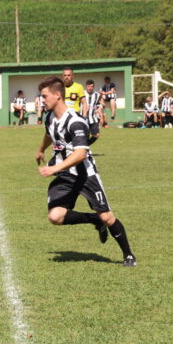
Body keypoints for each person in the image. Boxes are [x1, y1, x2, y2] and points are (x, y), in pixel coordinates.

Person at [35, 75, 136, 267]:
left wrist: (54, 168)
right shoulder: (49, 117)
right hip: (65, 175)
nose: (42, 100)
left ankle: (128, 255)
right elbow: (49, 134)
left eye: (45, 96)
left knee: (107, 216)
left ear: (57, 95)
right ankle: (93, 220)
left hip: (85, 175)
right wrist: (40, 149)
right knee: (55, 217)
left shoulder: (75, 121)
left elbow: (81, 154)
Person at [82, 79, 103, 145]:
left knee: (96, 135)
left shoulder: (97, 95)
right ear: (86, 86)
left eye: (91, 86)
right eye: (88, 86)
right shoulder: (82, 94)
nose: (90, 88)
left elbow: (98, 106)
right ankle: (85, 149)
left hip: (93, 118)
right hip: (83, 118)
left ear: (94, 87)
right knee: (85, 136)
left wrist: (101, 117)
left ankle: (86, 147)